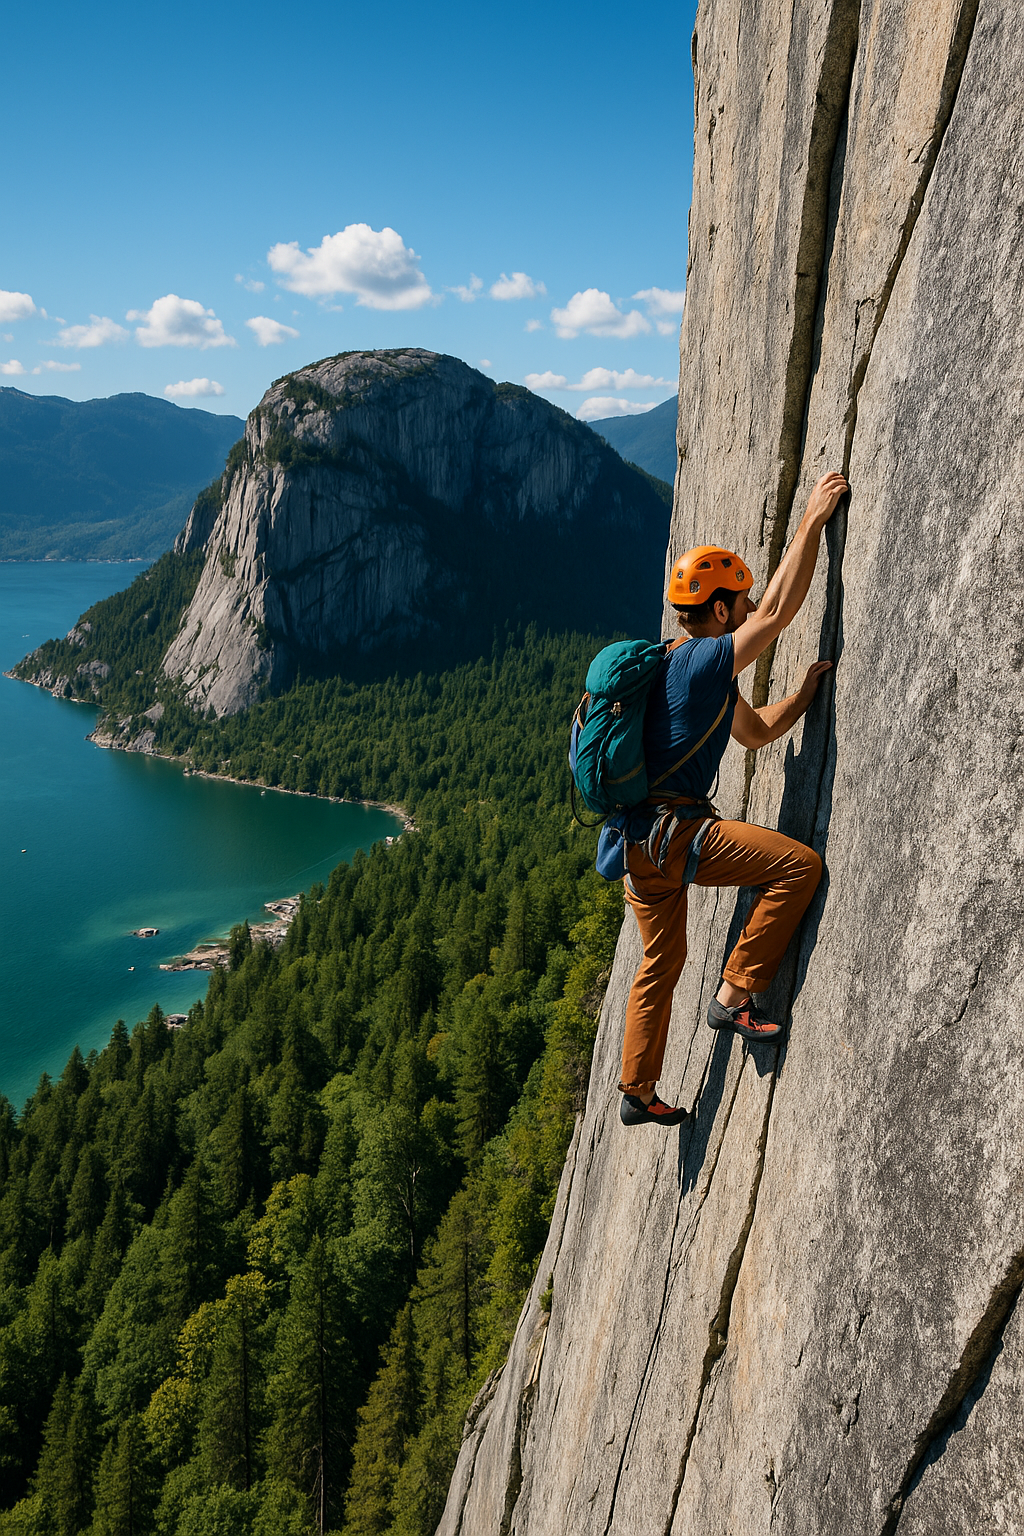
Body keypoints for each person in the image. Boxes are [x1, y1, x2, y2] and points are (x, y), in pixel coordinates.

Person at [619, 471, 848, 1127]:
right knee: (797, 866)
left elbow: (755, 734)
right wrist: (810, 523)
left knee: (660, 963)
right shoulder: (705, 664)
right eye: (737, 602)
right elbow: (776, 613)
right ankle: (736, 994)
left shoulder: (678, 668)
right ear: (719, 612)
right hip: (681, 837)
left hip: (639, 845)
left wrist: (804, 696)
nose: (747, 609)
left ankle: (637, 1090)